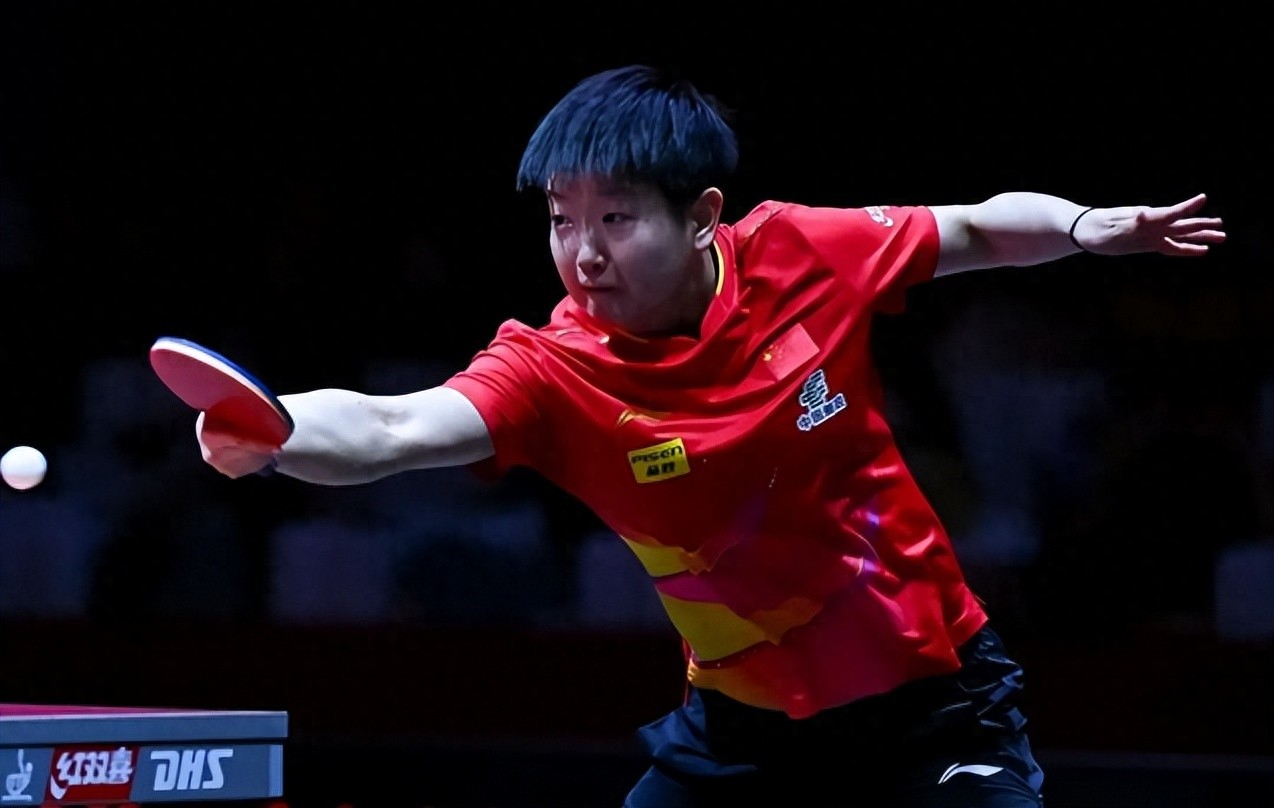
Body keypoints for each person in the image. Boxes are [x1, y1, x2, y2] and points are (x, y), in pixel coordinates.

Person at [194, 65, 1226, 807]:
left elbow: (971, 227)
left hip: (933, 706)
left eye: (615, 218)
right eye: (560, 220)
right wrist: (276, 428)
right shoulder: (553, 370)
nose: (582, 255)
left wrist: (1081, 225)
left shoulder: (797, 252)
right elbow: (391, 424)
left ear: (702, 216)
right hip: (742, 737)